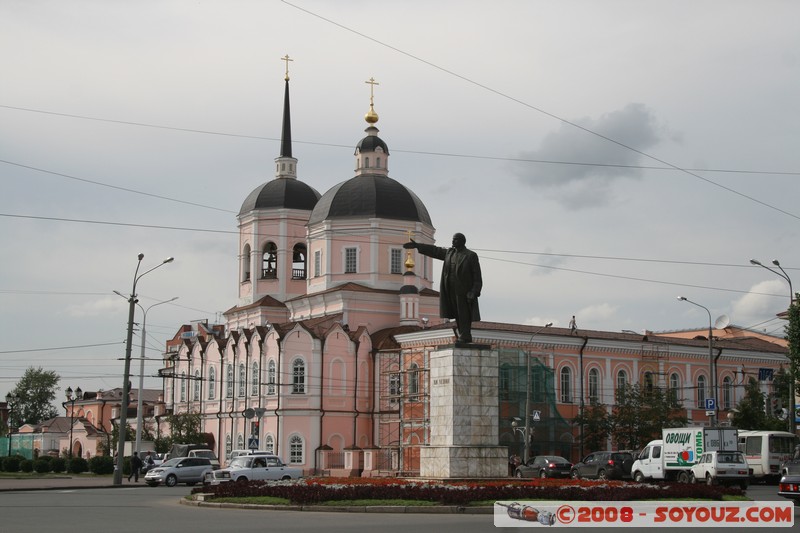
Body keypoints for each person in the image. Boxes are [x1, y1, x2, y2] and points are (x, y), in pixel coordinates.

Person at [404, 232, 482, 344]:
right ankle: (463, 334)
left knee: (464, 313)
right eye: (453, 239)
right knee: (456, 313)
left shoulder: (470, 255)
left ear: (461, 241)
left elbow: (477, 276)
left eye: (455, 239)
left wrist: (474, 291)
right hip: (450, 289)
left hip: (464, 291)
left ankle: (465, 335)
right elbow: (435, 251)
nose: (452, 241)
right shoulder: (450, 253)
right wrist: (418, 246)